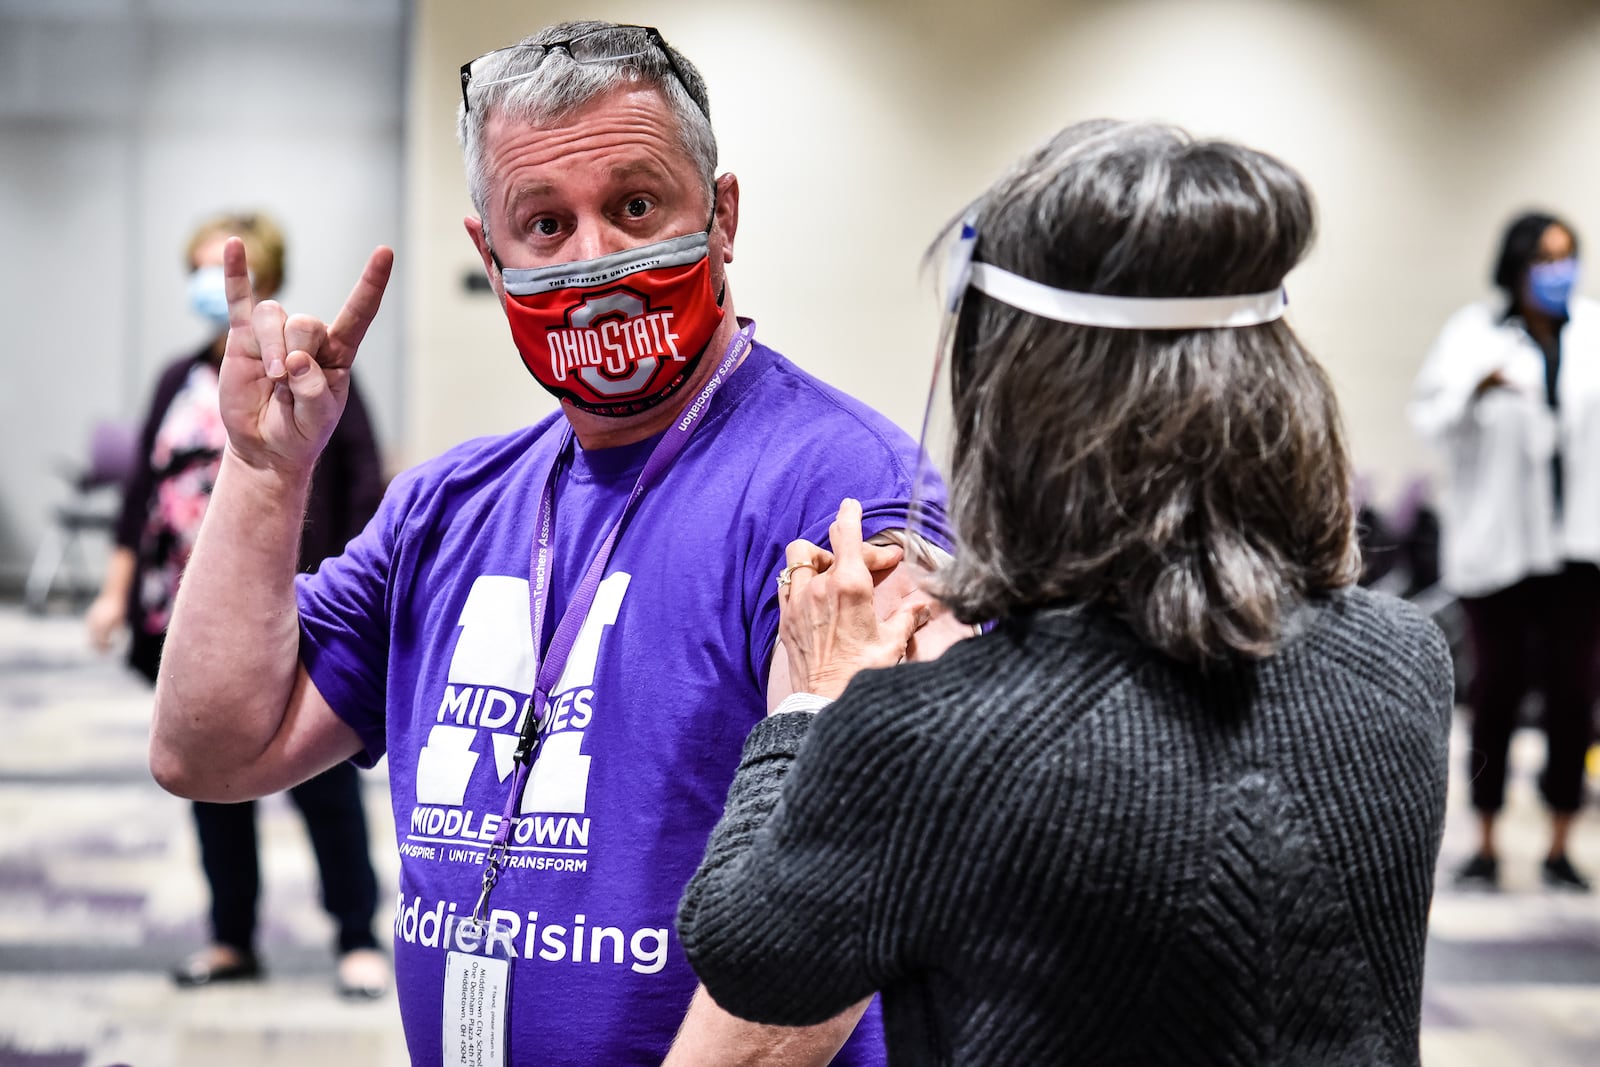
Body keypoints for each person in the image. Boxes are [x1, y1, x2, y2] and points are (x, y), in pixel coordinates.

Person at [146, 21, 960, 1065]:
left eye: (634, 206)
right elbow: (211, 748)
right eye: (542, 223)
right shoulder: (448, 504)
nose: (596, 261)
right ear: (489, 256)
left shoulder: (837, 487)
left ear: (720, 217)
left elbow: (845, 890)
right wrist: (265, 476)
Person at [677, 120, 1456, 1065]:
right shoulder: (1403, 656)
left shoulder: (926, 740)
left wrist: (816, 706)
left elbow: (748, 954)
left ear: (1021, 407)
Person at [86, 211, 390, 997]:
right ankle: (231, 937)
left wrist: (333, 596)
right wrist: (117, 591)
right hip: (185, 615)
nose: (202, 282)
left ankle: (356, 934)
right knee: (210, 778)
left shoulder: (314, 375)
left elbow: (362, 483)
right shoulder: (177, 377)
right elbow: (140, 497)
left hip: (297, 616)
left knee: (323, 785)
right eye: (192, 265)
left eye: (214, 266)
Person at [1410, 211, 1599, 892]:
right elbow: (1430, 414)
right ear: (1516, 264)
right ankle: (1485, 840)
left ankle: (1559, 843)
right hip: (1499, 551)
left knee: (1574, 696)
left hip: (1578, 551)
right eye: (1546, 258)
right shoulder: (1472, 334)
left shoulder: (1594, 331)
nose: (1559, 271)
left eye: (1568, 256)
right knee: (1497, 691)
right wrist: (1476, 389)